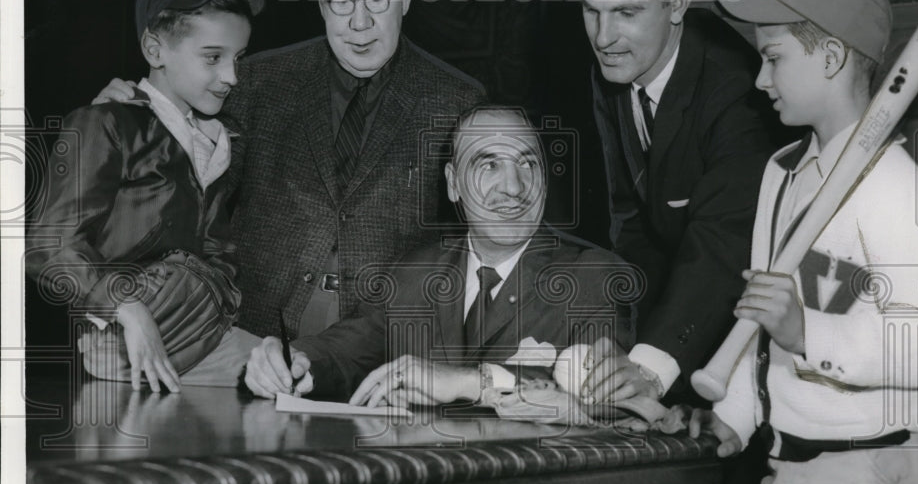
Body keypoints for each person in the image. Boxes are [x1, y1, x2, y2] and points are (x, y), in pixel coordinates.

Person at [690, 0, 918, 484]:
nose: (760, 79)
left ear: (832, 56)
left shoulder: (895, 188)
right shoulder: (782, 171)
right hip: (786, 468)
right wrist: (732, 419)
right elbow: (762, 321)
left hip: (876, 478)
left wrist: (809, 335)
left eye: (774, 56)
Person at [95, 0, 486, 340]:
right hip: (253, 340)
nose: (359, 23)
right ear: (319, 1)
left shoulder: (458, 102)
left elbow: (481, 247)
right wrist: (131, 136)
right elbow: (182, 197)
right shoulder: (256, 81)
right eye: (339, 0)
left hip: (390, 348)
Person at [243, 106, 642, 407]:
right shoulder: (415, 273)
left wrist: (471, 383)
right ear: (453, 185)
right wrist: (296, 361)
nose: (514, 187)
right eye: (489, 165)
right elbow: (350, 347)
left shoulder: (594, 276)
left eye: (527, 164)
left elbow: (603, 400)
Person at [26, 0, 266, 391]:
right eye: (212, 57)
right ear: (155, 51)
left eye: (238, 58)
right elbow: (47, 246)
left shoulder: (219, 138)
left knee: (293, 372)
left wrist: (217, 294)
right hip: (123, 350)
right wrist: (126, 307)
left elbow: (215, 249)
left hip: (200, 336)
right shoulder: (104, 124)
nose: (231, 77)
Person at [574, 0, 774, 406]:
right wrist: (618, 339)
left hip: (751, 345)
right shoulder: (618, 64)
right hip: (678, 315)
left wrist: (651, 363)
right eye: (591, 10)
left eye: (626, 12)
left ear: (678, 2)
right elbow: (633, 222)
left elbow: (725, 239)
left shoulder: (736, 87)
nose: (603, 38)